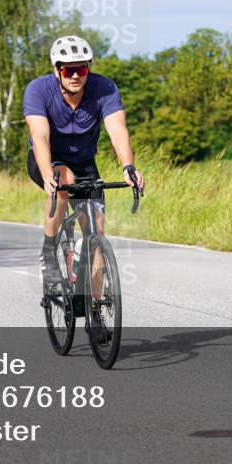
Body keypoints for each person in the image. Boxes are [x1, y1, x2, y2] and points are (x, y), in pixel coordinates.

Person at [23, 35, 145, 289]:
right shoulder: (38, 90)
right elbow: (40, 136)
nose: (76, 75)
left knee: (96, 232)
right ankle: (48, 252)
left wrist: (128, 167)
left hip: (84, 161)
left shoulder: (104, 88)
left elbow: (117, 129)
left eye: (82, 69)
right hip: (48, 159)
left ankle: (96, 307)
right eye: (69, 70)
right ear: (57, 70)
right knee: (64, 180)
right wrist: (47, 175)